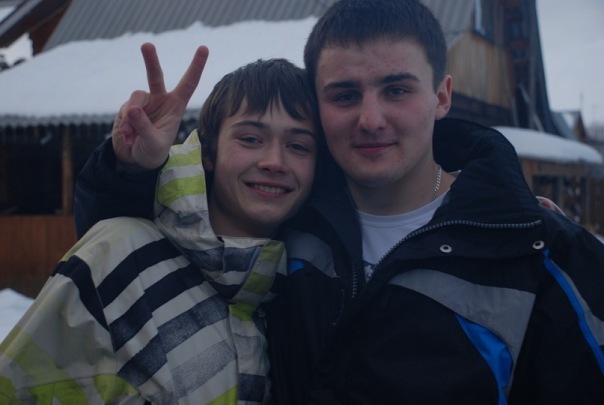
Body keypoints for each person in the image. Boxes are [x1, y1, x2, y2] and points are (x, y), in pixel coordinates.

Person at [74, 0, 604, 403]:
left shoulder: (539, 254)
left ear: (442, 96)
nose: (370, 119)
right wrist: (131, 170)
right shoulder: (291, 214)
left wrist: (520, 221)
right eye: (345, 95)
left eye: (397, 90)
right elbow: (156, 255)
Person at [0, 43, 321, 404]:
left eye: (298, 146)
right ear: (208, 152)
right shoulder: (120, 251)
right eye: (250, 139)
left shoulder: (303, 293)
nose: (274, 161)